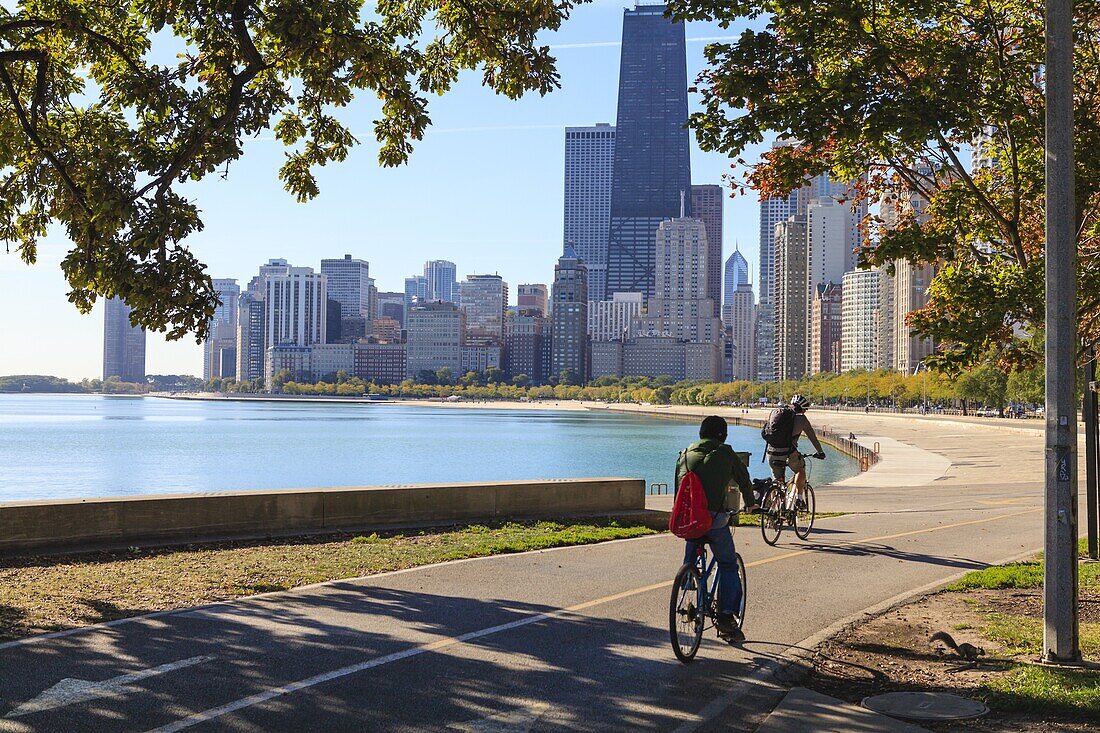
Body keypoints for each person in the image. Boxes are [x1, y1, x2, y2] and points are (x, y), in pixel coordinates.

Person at [675, 415, 753, 640]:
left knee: (694, 537)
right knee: (728, 564)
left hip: (688, 518)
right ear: (723, 435)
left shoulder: (685, 452)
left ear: (701, 433)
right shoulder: (726, 453)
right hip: (714, 520)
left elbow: (678, 486)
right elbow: (743, 479)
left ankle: (688, 575)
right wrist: (751, 503)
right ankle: (727, 617)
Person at [767, 394, 826, 504]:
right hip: (788, 452)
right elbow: (812, 437)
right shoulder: (801, 419)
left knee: (778, 481)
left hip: (771, 451)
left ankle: (775, 510)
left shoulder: (776, 413)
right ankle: (799, 498)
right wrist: (820, 452)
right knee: (800, 470)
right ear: (802, 409)